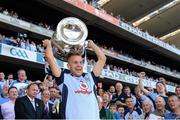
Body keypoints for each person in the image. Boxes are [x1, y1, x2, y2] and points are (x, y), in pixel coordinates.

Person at [43, 39, 106, 119]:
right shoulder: (64, 78)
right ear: (69, 66)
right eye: (75, 62)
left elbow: (102, 59)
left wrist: (92, 45)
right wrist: (49, 44)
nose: (79, 65)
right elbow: (49, 57)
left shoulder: (90, 78)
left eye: (81, 62)